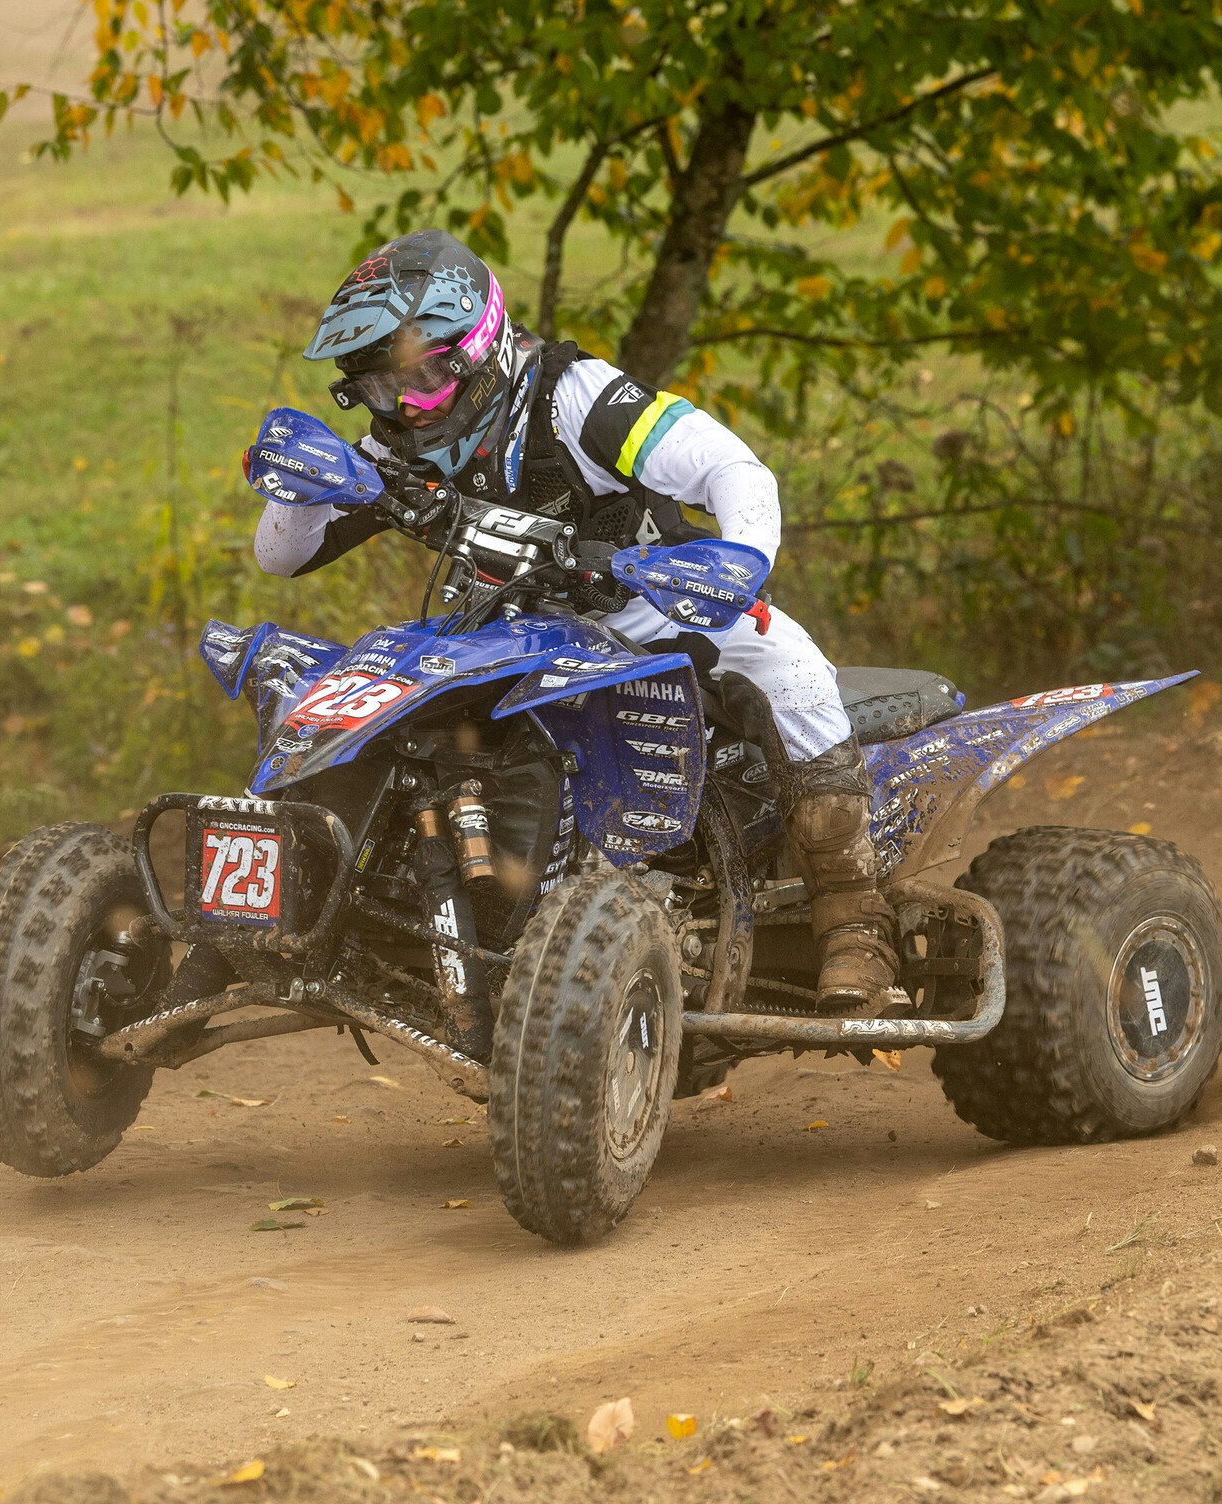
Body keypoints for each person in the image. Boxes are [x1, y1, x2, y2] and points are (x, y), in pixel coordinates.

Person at [253, 230, 905, 1015]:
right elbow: (282, 556)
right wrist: (308, 475)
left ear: (477, 347)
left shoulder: (573, 399)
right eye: (382, 387)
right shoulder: (396, 443)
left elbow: (732, 467)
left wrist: (740, 564)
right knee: (402, 713)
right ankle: (390, 910)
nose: (404, 403)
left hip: (655, 607)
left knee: (794, 672)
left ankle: (855, 923)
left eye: (421, 376)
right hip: (515, 631)